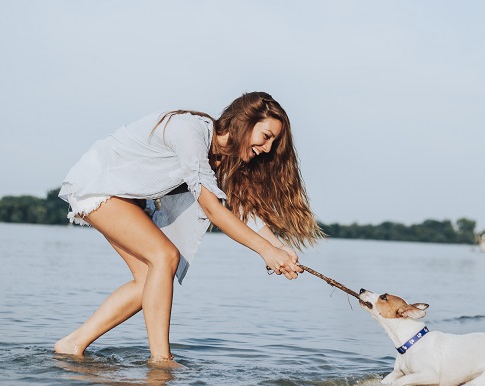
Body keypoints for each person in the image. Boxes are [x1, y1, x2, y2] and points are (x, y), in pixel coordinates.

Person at [54, 91, 323, 366]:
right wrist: (265, 251)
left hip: (123, 194)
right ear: (244, 120)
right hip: (100, 182)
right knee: (164, 257)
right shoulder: (190, 132)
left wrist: (278, 249)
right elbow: (212, 209)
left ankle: (71, 344)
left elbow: (242, 210)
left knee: (150, 280)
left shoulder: (224, 158)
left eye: (272, 143)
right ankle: (161, 361)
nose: (266, 149)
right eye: (266, 137)